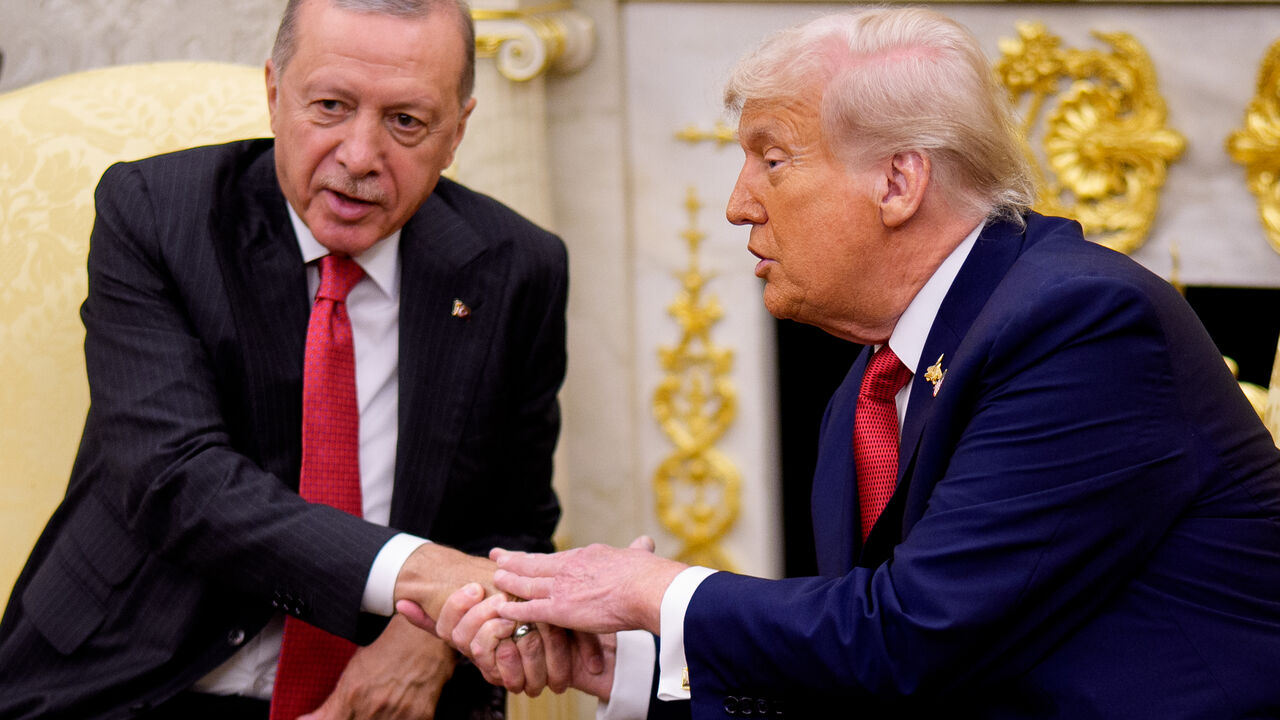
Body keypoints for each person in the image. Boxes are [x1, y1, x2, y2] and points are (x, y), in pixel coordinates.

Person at [432, 7, 1280, 719]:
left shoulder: (1082, 324)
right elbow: (872, 674)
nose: (736, 205)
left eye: (772, 159)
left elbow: (914, 635)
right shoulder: (872, 386)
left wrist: (658, 591)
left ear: (898, 183)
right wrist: (631, 664)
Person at [0, 0, 567, 717]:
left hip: (383, 688)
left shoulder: (517, 268)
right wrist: (419, 575)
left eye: (406, 122)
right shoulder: (156, 216)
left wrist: (429, 640)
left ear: (456, 133)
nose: (360, 156)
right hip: (136, 674)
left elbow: (515, 521)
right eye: (330, 105)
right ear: (273, 92)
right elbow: (175, 480)